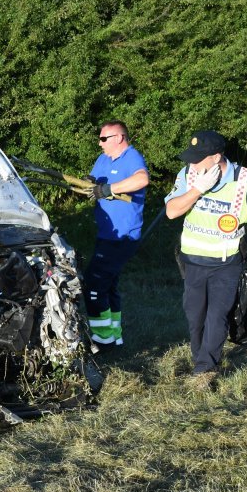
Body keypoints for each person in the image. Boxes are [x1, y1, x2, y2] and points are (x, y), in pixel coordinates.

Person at [165, 130, 247, 387]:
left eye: (198, 159)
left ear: (216, 157)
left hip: (226, 263)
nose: (192, 164)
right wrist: (197, 189)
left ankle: (204, 368)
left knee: (217, 315)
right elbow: (171, 212)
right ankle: (201, 356)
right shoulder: (188, 176)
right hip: (193, 262)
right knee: (194, 314)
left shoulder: (244, 180)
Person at [83, 120, 150, 347]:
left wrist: (110, 189)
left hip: (123, 235)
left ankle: (101, 340)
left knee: (94, 283)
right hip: (106, 233)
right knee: (109, 284)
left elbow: (142, 179)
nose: (100, 143)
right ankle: (114, 336)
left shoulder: (131, 157)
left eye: (104, 139)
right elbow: (95, 180)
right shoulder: (104, 158)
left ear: (119, 138)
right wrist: (89, 183)